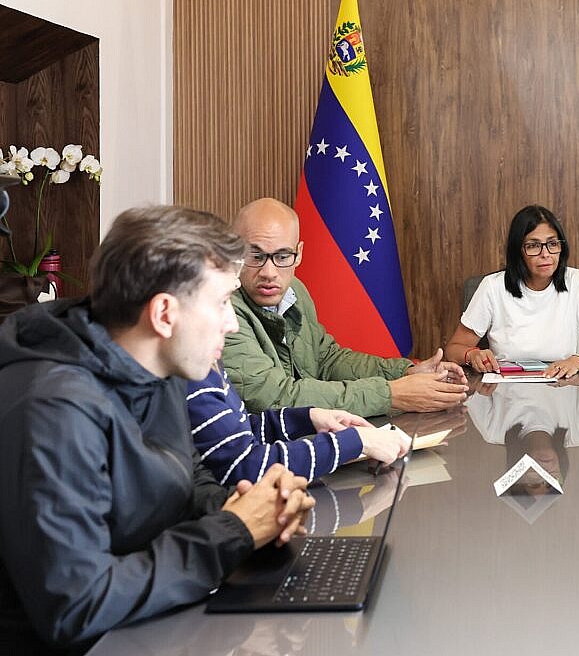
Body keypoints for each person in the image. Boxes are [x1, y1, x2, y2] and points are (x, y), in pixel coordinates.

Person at [0, 206, 314, 655]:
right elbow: (75, 606)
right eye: (222, 303)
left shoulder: (158, 368)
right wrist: (234, 532)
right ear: (165, 314)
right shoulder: (53, 409)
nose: (231, 322)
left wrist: (250, 506)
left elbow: (183, 485)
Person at [223, 198, 468, 416]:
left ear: (298, 254)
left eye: (282, 257)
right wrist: (391, 394)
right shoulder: (223, 307)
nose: (269, 272)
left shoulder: (294, 290)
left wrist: (405, 372)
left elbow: (327, 360)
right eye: (255, 257)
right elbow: (275, 397)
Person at [443, 204, 579, 379]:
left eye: (552, 244)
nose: (545, 253)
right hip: (506, 394)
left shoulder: (578, 282)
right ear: (518, 251)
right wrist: (471, 355)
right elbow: (454, 348)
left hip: (562, 390)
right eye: (533, 246)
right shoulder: (493, 287)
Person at [187, 363, 410, 485]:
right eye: (221, 302)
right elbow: (242, 467)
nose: (232, 323)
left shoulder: (205, 362)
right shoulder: (192, 376)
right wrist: (355, 441)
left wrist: (306, 418)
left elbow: (239, 432)